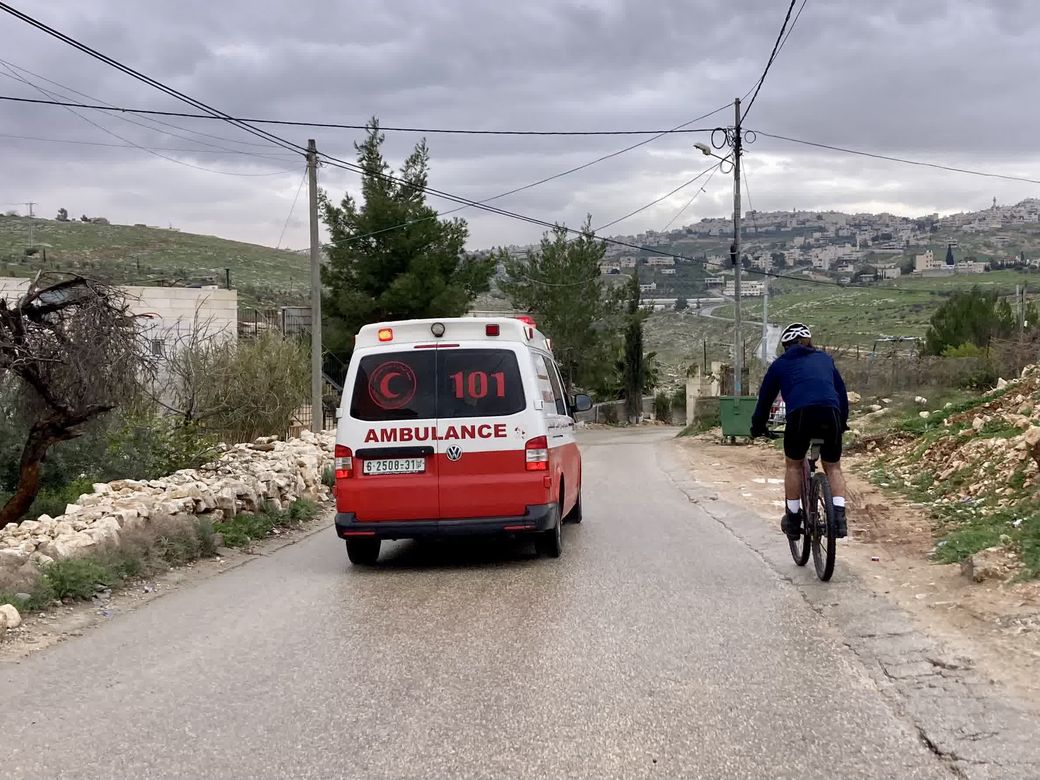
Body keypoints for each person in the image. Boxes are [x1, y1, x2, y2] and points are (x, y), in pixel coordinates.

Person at [750, 323, 850, 539]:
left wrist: (758, 427)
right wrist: (841, 423)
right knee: (833, 467)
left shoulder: (780, 364)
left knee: (794, 465)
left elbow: (765, 400)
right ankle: (839, 518)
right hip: (830, 414)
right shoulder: (825, 359)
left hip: (801, 416)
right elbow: (841, 395)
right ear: (809, 342)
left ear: (785, 346)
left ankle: (794, 520)